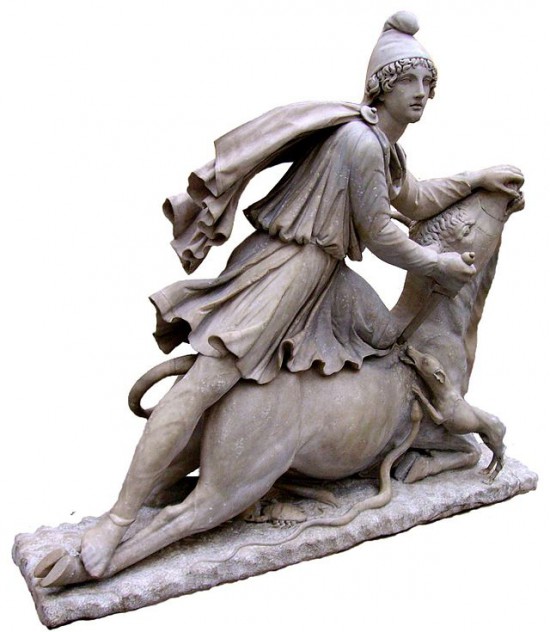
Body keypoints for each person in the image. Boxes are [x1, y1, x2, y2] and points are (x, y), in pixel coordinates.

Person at [79, 11, 523, 577]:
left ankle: (366, 435)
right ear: (381, 86)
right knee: (205, 383)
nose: (421, 93)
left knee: (386, 337)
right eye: (408, 80)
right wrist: (437, 263)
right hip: (284, 269)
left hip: (323, 275)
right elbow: (382, 233)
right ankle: (117, 520)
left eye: (427, 82)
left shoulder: (385, 145)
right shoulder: (361, 142)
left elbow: (412, 199)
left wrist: (476, 178)